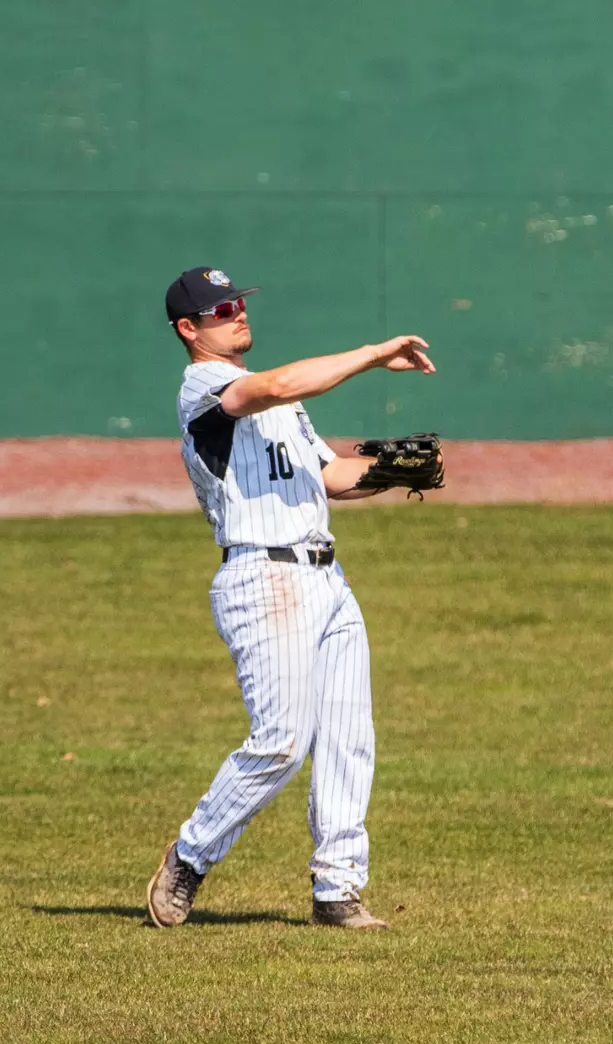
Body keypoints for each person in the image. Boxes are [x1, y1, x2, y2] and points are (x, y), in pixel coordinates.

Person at [146, 266, 435, 931]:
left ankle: (338, 889)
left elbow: (329, 477)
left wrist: (405, 467)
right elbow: (274, 385)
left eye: (238, 303)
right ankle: (190, 856)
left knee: (347, 736)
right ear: (189, 329)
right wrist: (373, 354)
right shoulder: (206, 389)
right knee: (280, 740)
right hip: (263, 579)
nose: (237, 313)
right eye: (220, 310)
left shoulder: (281, 404)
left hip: (327, 578)